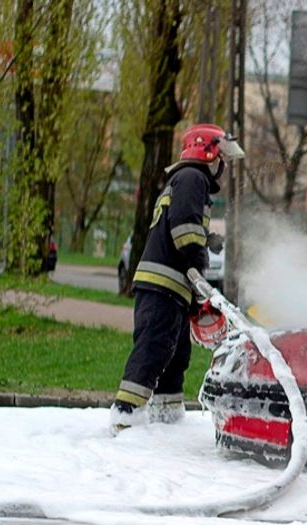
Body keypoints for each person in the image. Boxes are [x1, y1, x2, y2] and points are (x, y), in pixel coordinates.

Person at [110, 123, 244, 434]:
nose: (222, 166)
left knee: (176, 352)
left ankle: (167, 416)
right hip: (164, 283)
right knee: (154, 346)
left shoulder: (185, 180)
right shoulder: (192, 178)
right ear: (207, 152)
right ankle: (125, 414)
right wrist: (198, 262)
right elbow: (183, 227)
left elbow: (180, 223)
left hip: (172, 286)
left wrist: (206, 239)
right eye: (220, 157)